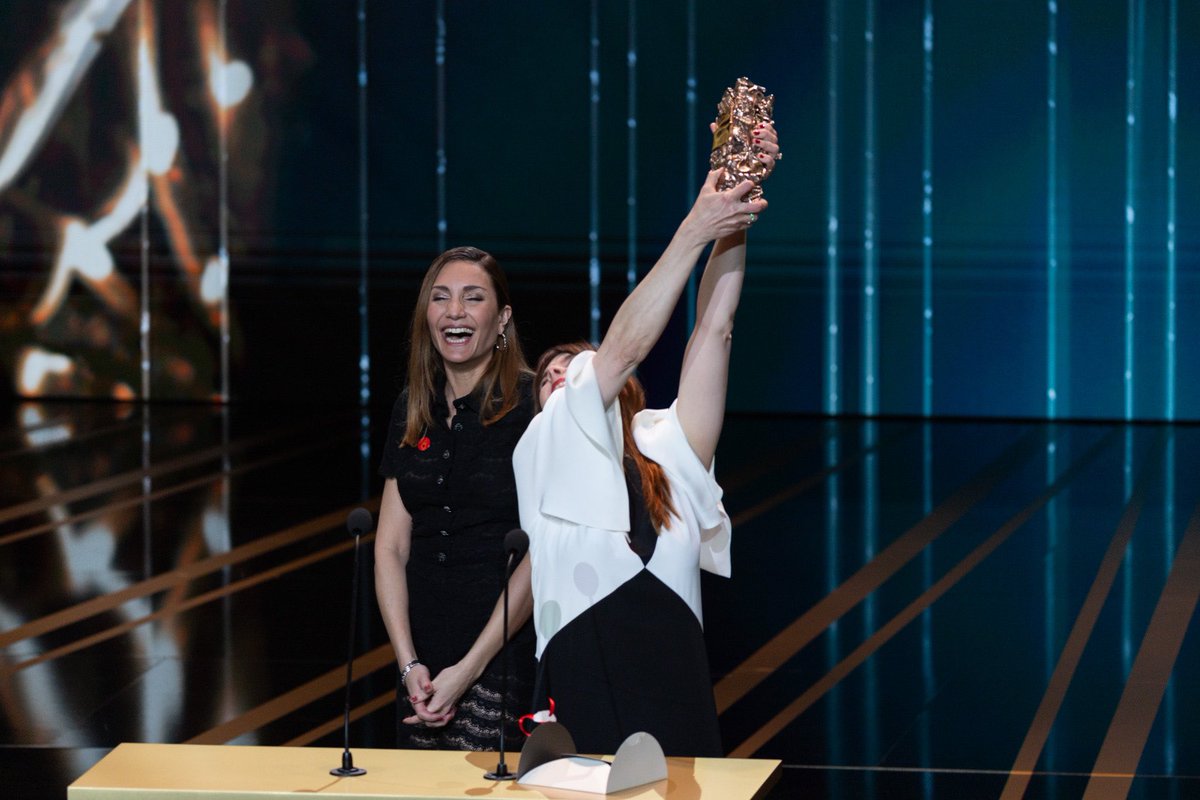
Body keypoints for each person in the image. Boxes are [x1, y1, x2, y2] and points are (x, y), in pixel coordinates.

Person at [512, 126, 778, 757]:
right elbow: (625, 346)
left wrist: (738, 193)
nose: (559, 372)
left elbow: (715, 329)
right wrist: (695, 225)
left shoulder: (668, 445)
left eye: (571, 363)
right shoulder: (543, 446)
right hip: (581, 667)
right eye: (550, 372)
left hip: (674, 673)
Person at [375, 245, 535, 750]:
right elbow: (390, 547)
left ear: (502, 317)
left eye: (473, 298)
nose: (455, 312)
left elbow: (543, 552)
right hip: (422, 653)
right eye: (440, 298)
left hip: (503, 645)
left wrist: (468, 670)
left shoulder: (535, 406)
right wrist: (408, 663)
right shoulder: (411, 406)